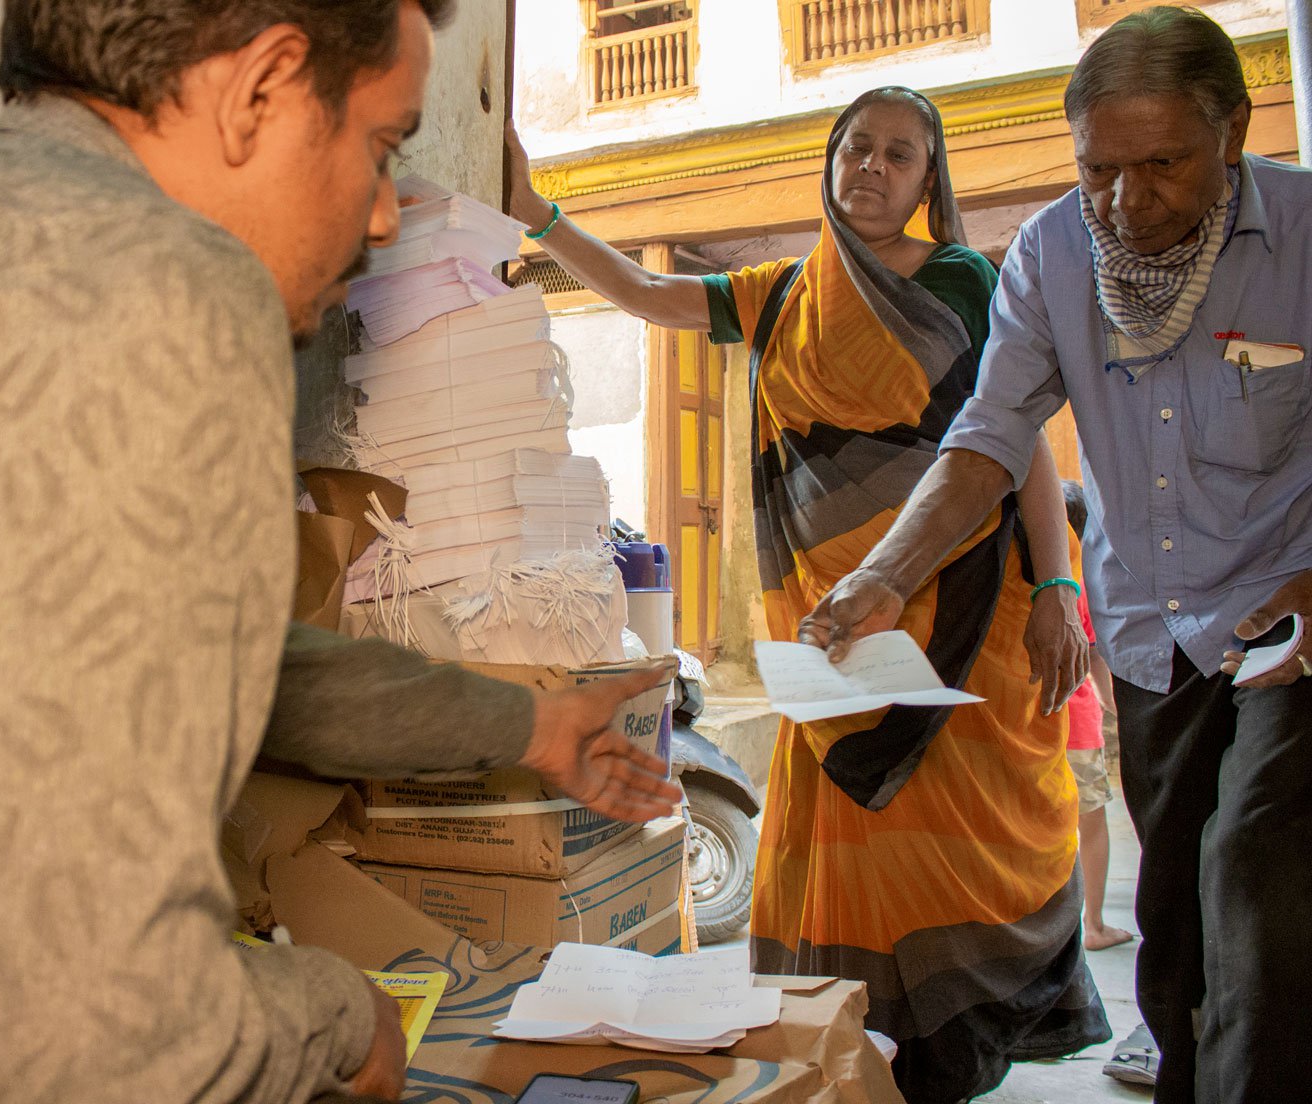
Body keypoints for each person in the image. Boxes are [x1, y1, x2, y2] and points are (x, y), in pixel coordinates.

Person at [0, 3, 680, 1102]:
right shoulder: (169, 285)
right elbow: (82, 1024)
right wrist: (327, 1019)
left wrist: (530, 723)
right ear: (263, 85)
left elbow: (217, 659)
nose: (379, 217)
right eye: (379, 147)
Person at [508, 86, 1109, 1104]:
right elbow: (648, 297)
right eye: (857, 148)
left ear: (929, 181)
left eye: (900, 155)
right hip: (831, 641)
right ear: (829, 163)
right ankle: (852, 1045)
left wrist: (1055, 581)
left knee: (970, 843)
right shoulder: (779, 292)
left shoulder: (966, 283)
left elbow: (1014, 451)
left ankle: (953, 1046)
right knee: (842, 850)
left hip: (962, 623)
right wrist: (536, 210)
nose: (872, 167)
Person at [809, 10, 1312, 1103]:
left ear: (1229, 128)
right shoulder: (1048, 253)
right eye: (1098, 171)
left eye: (1160, 165)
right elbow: (987, 440)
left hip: (1288, 619)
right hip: (1149, 637)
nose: (1125, 202)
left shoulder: (1307, 236)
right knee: (1172, 930)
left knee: (1258, 891)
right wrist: (884, 575)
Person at [1060, 482, 1131, 952]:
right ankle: (1096, 925)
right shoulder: (1083, 585)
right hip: (1078, 725)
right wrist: (1112, 704)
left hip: (1028, 727)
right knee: (1092, 823)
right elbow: (1097, 653)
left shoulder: (1021, 586)